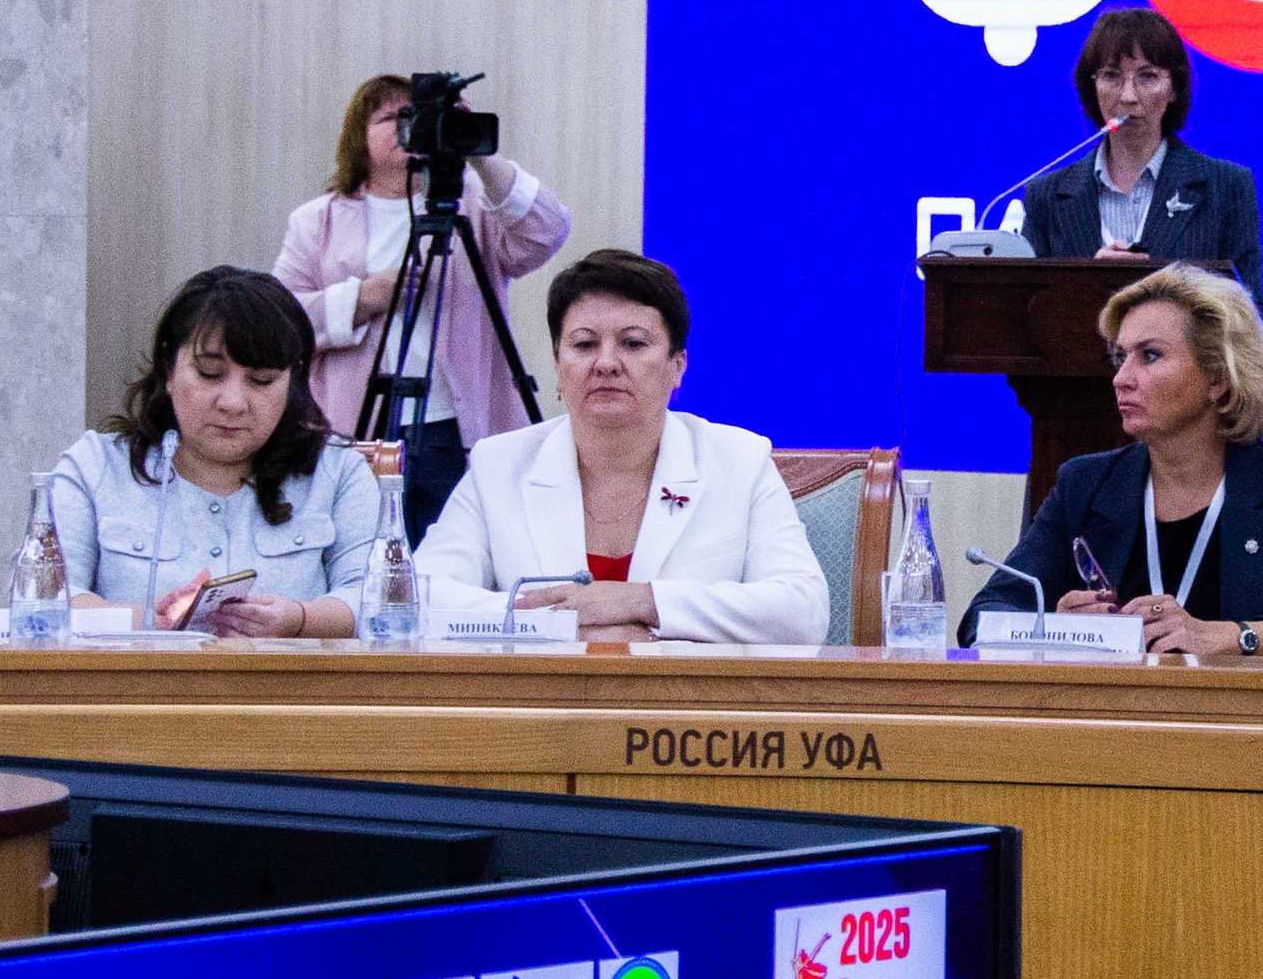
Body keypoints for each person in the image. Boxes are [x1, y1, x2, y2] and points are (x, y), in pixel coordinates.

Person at [415, 249, 830, 645]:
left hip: (683, 695)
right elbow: (416, 598)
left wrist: (641, 601)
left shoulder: (739, 461)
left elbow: (803, 611)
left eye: (633, 343)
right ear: (558, 367)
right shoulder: (499, 465)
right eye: (584, 344)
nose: (606, 363)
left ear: (677, 366)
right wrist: (557, 624)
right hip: (545, 694)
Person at [957, 264, 1263, 654]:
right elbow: (982, 617)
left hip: (1237, 696)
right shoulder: (1084, 484)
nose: (1120, 378)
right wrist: (1053, 626)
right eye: (1121, 357)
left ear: (1218, 378)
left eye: (1150, 355)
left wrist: (1233, 636)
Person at [272, 73, 571, 543]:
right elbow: (279, 322)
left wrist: (479, 152)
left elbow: (547, 230)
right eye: (388, 117)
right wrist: (361, 298)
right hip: (359, 427)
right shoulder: (317, 220)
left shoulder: (474, 207)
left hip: (457, 427)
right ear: (358, 137)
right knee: (367, 553)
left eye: (413, 117)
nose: (403, 127)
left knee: (458, 551)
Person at [49, 268, 378, 636]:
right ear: (169, 370)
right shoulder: (95, 466)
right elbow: (42, 598)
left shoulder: (338, 472)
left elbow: (378, 602)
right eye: (209, 373)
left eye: (262, 380)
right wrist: (145, 619)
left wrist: (299, 620)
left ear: (293, 382)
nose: (233, 403)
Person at [1018, 8, 1263, 315]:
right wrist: (1087, 285)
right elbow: (1029, 318)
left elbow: (1251, 320)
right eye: (1111, 76)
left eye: (1147, 76)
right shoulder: (1046, 196)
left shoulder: (1227, 187)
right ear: (1091, 86)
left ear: (1173, 88)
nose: (1128, 96)